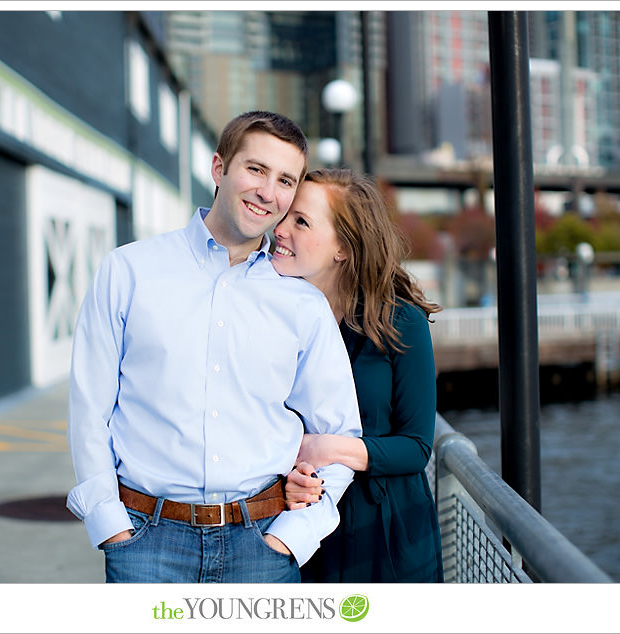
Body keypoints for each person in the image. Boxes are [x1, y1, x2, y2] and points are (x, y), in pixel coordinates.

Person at [66, 112, 362, 583]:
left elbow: (341, 431)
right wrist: (111, 527)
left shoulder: (303, 303)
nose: (268, 191)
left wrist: (295, 534)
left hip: (263, 543)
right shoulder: (128, 271)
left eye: (286, 180)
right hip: (145, 543)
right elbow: (89, 412)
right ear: (219, 168)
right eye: (256, 169)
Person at [273, 167, 444, 583]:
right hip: (301, 525)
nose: (279, 229)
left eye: (301, 221)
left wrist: (326, 447)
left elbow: (417, 446)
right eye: (285, 215)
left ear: (342, 249)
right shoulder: (274, 318)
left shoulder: (400, 322)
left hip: (386, 529)